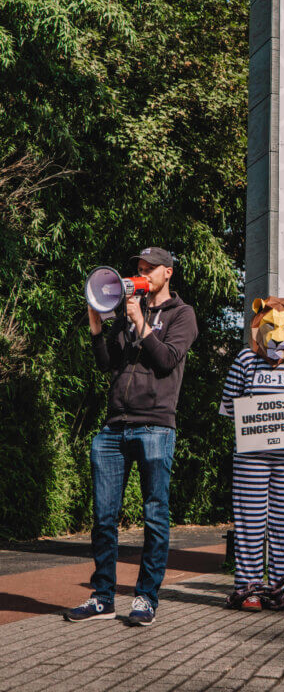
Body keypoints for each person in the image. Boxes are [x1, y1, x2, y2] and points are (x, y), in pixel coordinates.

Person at [65, 247, 197, 626]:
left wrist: (141, 322)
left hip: (155, 425)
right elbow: (109, 364)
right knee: (104, 517)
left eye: (149, 269)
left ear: (167, 273)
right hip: (114, 427)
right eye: (138, 269)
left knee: (155, 514)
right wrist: (96, 326)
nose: (142, 275)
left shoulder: (182, 314)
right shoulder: (127, 312)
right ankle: (103, 597)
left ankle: (145, 599)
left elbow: (167, 360)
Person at [220, 296, 284, 610]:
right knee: (249, 521)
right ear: (259, 326)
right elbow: (229, 406)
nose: (277, 335)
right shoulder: (244, 361)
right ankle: (249, 588)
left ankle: (282, 588)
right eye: (271, 326)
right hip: (251, 456)